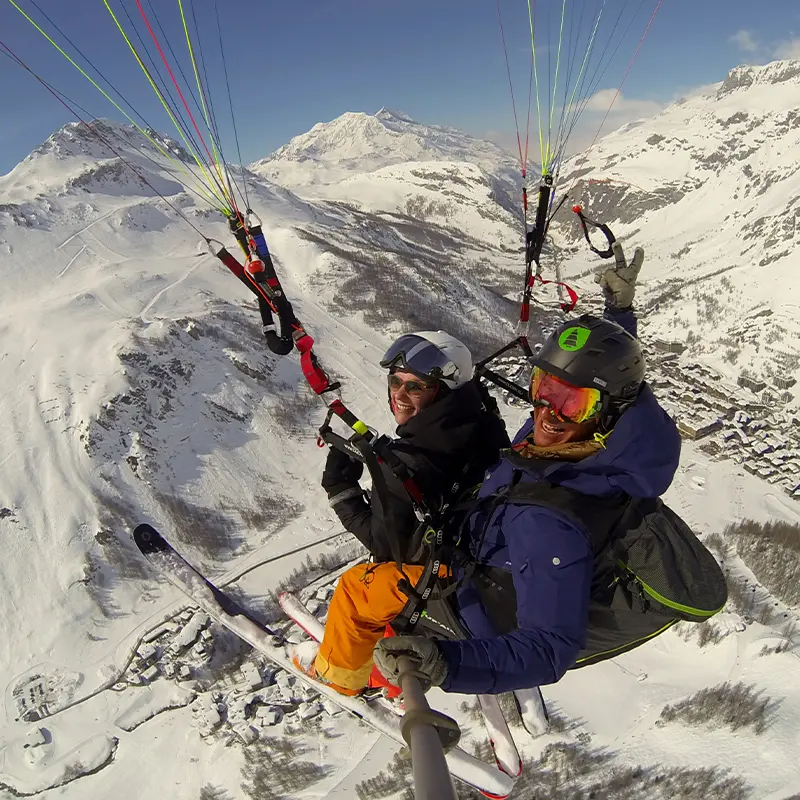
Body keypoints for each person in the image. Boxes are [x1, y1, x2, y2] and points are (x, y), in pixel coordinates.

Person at [298, 240, 682, 697]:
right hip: (479, 548)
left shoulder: (549, 522)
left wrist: (447, 665)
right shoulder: (587, 441)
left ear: (606, 410)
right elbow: (613, 379)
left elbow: (550, 648)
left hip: (476, 603)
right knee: (392, 593)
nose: (547, 411)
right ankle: (383, 666)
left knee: (361, 589)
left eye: (571, 403)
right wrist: (618, 315)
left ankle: (342, 680)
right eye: (543, 387)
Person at [320, 330, 510, 565]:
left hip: (443, 574)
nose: (399, 395)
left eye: (415, 387)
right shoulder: (486, 422)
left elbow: (385, 548)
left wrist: (339, 487)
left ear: (442, 392)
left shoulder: (403, 465)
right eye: (395, 382)